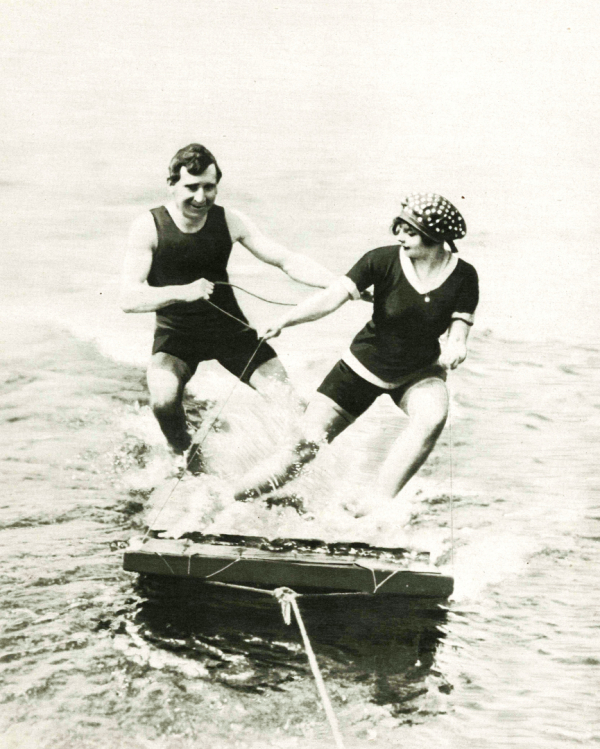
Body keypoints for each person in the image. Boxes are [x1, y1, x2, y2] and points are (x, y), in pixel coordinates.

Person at [234, 193, 479, 518]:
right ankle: (231, 499)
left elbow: (458, 335)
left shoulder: (464, 276)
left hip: (418, 373)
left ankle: (375, 502)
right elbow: (331, 298)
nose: (399, 236)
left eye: (409, 231)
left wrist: (456, 349)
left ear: (433, 236)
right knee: (301, 450)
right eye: (398, 227)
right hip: (361, 367)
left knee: (433, 415)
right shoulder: (380, 260)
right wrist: (284, 320)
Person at [120, 143, 335, 469]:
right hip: (177, 338)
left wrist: (339, 285)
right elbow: (128, 298)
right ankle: (189, 462)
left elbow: (285, 260)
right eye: (191, 187)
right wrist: (184, 292)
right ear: (172, 185)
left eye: (210, 187)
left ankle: (292, 468)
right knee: (163, 401)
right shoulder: (148, 226)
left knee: (289, 403)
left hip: (230, 331)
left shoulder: (230, 221)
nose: (201, 197)